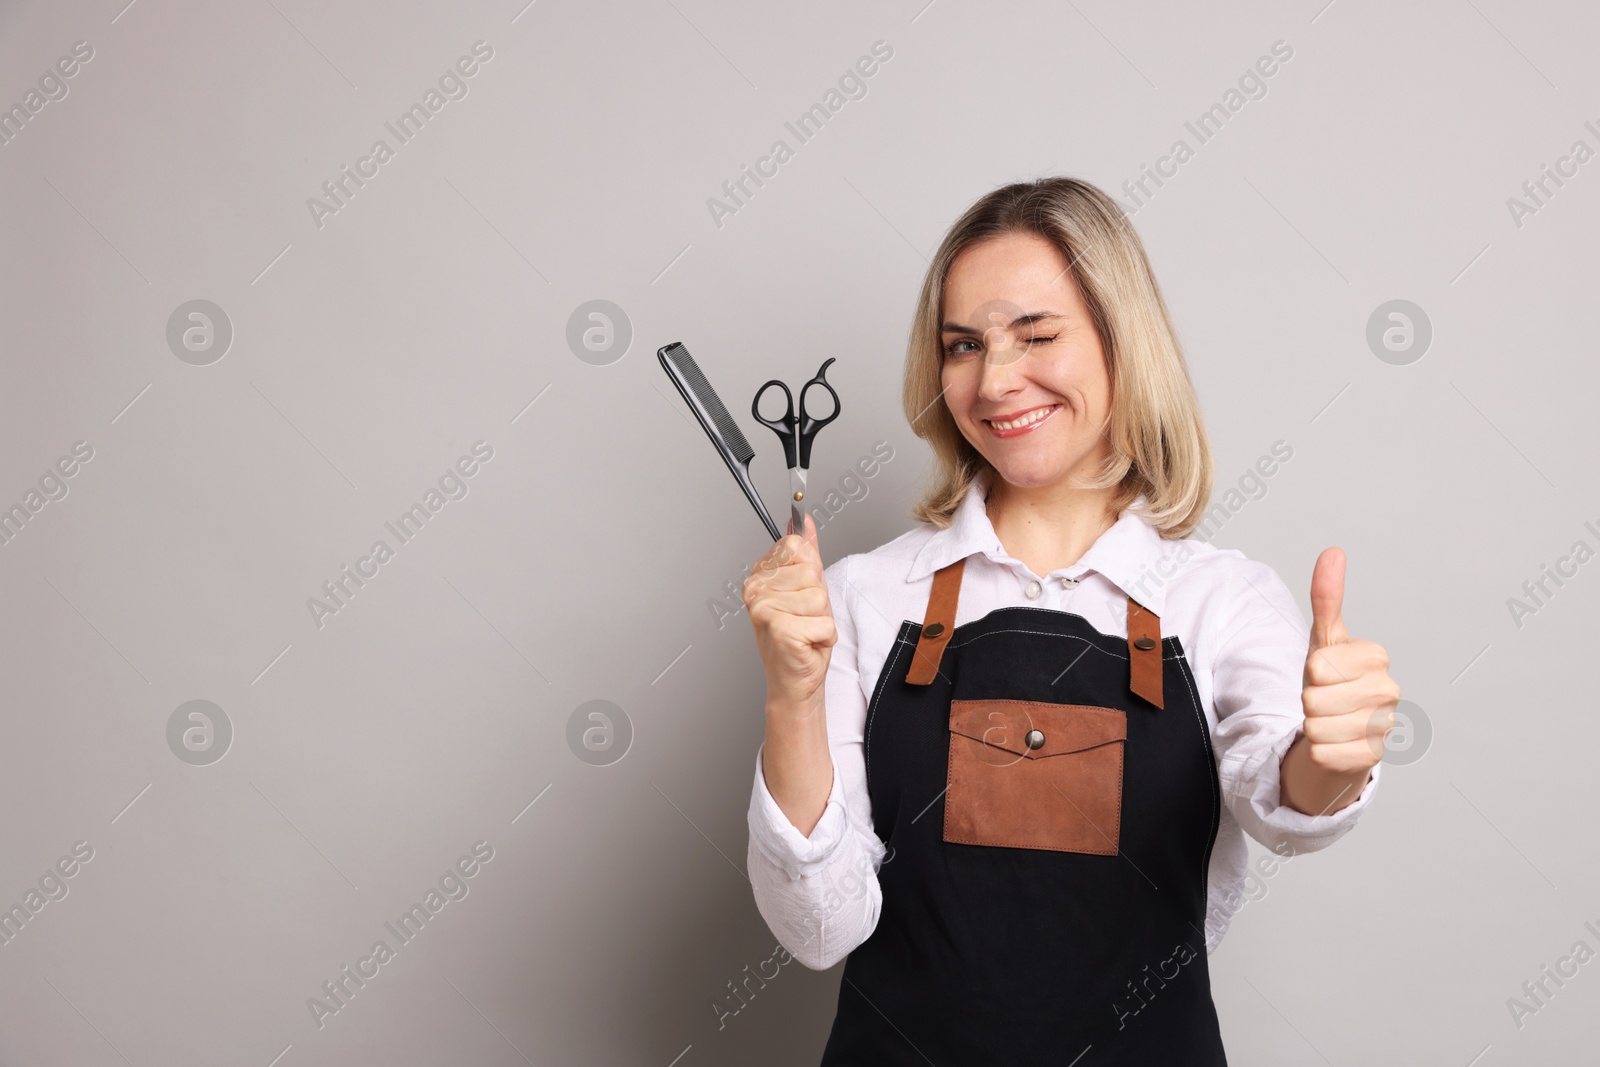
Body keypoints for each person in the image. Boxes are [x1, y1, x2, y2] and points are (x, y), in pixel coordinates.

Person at [740, 177, 1398, 1064]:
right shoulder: (864, 594)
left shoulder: (1219, 600)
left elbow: (1284, 801)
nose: (997, 379)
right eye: (963, 344)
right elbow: (819, 928)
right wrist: (791, 691)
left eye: (1036, 334)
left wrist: (1331, 753)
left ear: (1123, 345)